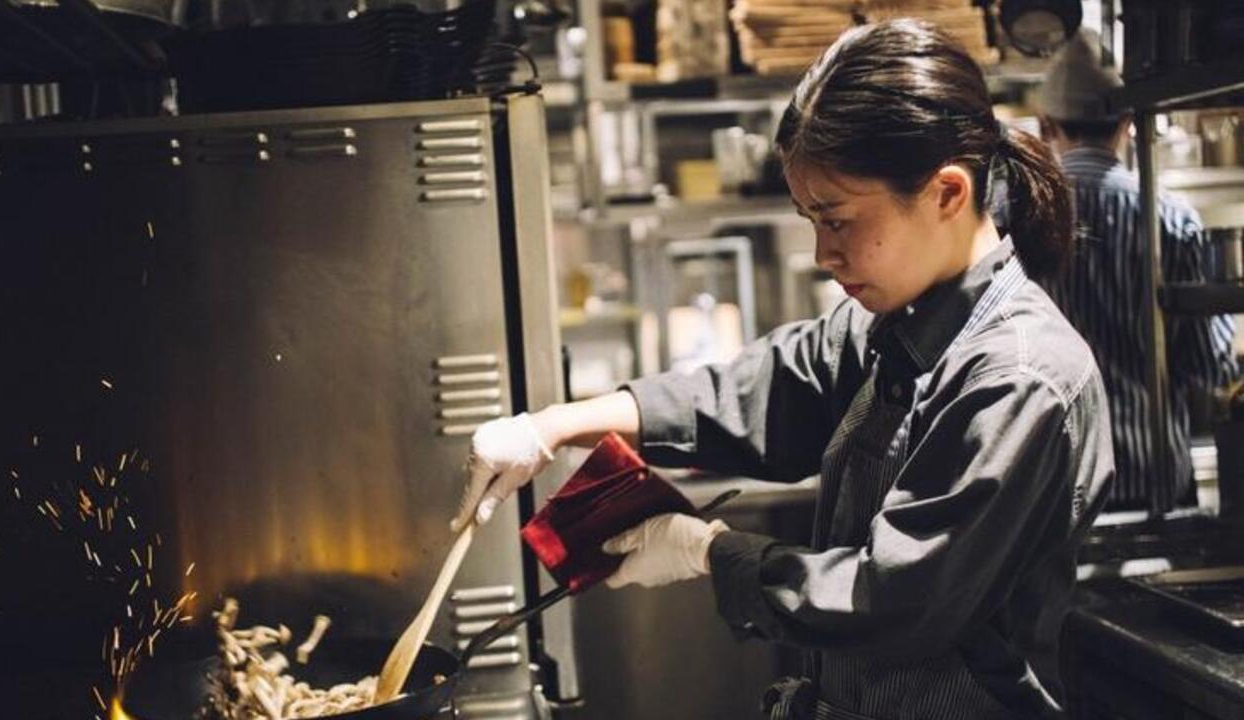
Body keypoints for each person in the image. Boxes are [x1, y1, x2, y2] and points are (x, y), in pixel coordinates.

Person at [454, 20, 1113, 719]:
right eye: (810, 219)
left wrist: (709, 550)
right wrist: (554, 426)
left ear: (947, 193)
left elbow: (895, 603)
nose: (824, 253)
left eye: (837, 219)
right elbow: (768, 388)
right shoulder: (900, 324)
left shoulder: (1017, 378)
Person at [1036, 30, 1237, 514]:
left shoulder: (1018, 216)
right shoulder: (1173, 218)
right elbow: (1212, 368)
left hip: (1053, 490)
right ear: (1128, 122)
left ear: (1046, 127)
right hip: (1156, 483)